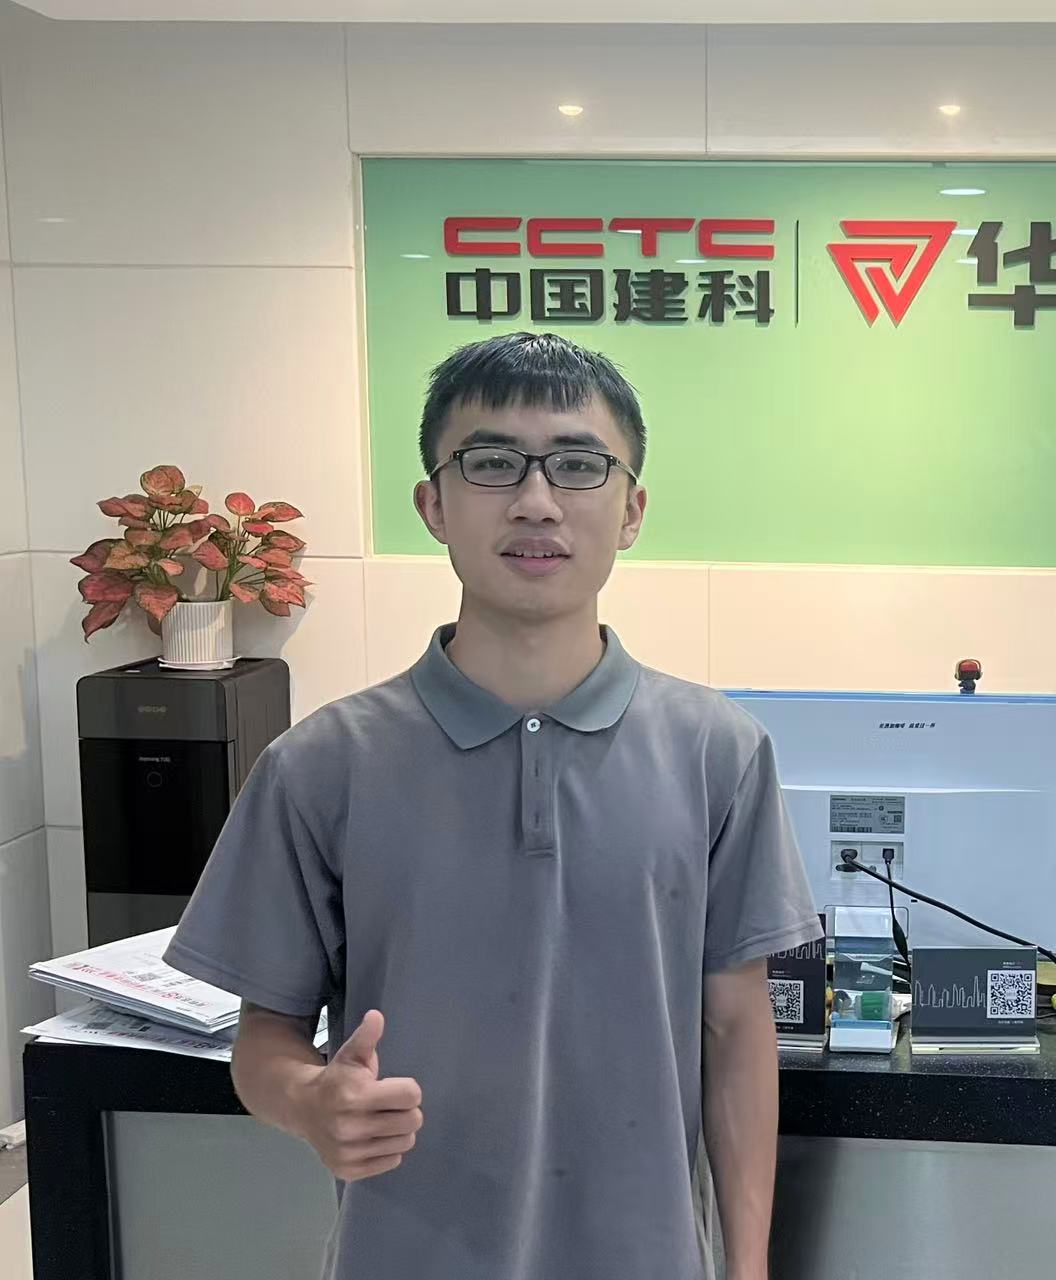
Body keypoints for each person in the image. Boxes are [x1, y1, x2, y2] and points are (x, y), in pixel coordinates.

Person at [164, 332, 822, 1280]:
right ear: (433, 504)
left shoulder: (718, 751)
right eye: (491, 463)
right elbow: (262, 1041)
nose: (536, 501)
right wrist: (308, 1100)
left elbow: (737, 1030)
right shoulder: (322, 765)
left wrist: (747, 1268)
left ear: (632, 510)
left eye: (578, 465)